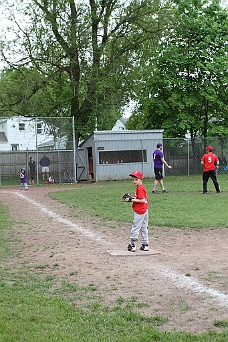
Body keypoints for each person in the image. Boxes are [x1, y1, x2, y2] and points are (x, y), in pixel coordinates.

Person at [127, 171, 149, 252]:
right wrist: (133, 198)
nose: (134, 181)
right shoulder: (141, 187)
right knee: (144, 227)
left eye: (136, 179)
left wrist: (131, 199)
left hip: (140, 210)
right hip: (144, 209)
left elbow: (142, 200)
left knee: (136, 226)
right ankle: (145, 244)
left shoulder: (140, 188)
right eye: (133, 179)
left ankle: (132, 245)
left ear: (141, 179)